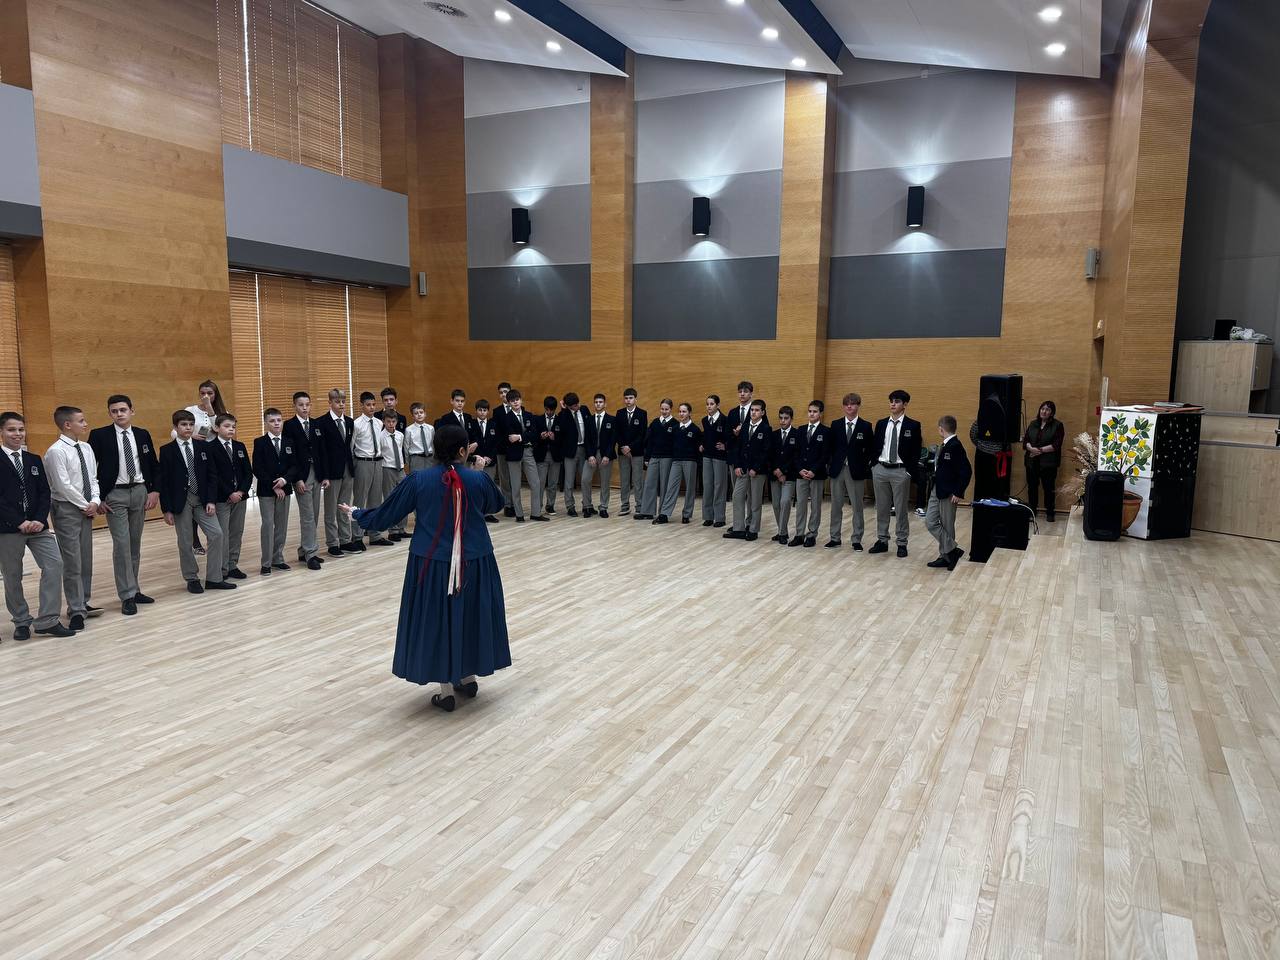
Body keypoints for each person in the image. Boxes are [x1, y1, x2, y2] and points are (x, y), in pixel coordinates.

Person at [341, 423, 510, 712]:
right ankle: (467, 677)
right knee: (470, 614)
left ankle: (446, 690)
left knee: (437, 619)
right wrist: (478, 472)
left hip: (432, 564)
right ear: (463, 450)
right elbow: (496, 504)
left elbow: (386, 515)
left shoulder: (418, 480)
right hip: (475, 561)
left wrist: (358, 514)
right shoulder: (477, 479)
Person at [1, 411, 74, 640]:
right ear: (1, 432)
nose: (17, 434)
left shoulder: (33, 459)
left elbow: (44, 492)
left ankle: (47, 620)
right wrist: (18, 521)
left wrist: (40, 519)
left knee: (54, 564)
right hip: (8, 528)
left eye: (21, 429)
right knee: (12, 576)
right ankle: (21, 621)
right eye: (11, 430)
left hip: (37, 526)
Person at [88, 394, 159, 615]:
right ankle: (127, 595)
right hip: (114, 495)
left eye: (123, 410)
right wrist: (97, 498)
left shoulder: (142, 434)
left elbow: (152, 464)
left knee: (134, 544)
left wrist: (154, 490)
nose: (119, 414)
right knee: (121, 544)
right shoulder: (99, 435)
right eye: (114, 411)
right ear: (110, 413)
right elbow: (89, 469)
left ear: (131, 411)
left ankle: (134, 589)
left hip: (139, 491)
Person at [44, 405, 103, 631]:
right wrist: (85, 504)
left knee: (85, 558)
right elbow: (62, 485)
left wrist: (95, 501)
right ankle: (75, 608)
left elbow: (93, 478)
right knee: (72, 561)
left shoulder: (86, 448)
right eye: (81, 421)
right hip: (67, 508)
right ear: (67, 424)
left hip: (86, 506)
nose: (85, 424)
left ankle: (83, 602)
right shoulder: (56, 451)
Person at [158, 410, 230, 592]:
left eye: (191, 424)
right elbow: (164, 482)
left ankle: (214, 578)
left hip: (202, 498)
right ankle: (191, 578)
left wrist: (211, 500)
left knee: (217, 534)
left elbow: (212, 475)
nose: (188, 428)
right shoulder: (167, 451)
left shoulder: (203, 447)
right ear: (175, 427)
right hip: (181, 501)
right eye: (184, 424)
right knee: (185, 541)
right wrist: (166, 509)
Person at [870, 389, 923, 557]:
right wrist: (874, 465)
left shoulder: (913, 425)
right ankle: (882, 540)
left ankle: (901, 542)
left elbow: (916, 451)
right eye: (891, 401)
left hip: (900, 471)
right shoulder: (881, 423)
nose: (893, 404)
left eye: (897, 401)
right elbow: (875, 445)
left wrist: (909, 472)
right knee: (882, 507)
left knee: (900, 509)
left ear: (905, 404)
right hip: (880, 469)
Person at [181, 380, 227, 555]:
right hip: (195, 455)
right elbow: (174, 431)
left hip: (215, 455)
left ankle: (215, 538)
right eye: (203, 393)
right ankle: (195, 541)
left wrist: (210, 408)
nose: (206, 396)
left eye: (210, 393)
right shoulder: (191, 410)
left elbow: (217, 428)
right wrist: (191, 435)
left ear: (215, 394)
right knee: (196, 498)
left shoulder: (221, 412)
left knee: (211, 496)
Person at [826, 392, 876, 551]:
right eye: (846, 404)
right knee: (836, 506)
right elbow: (830, 447)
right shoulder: (835, 424)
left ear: (858, 406)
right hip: (837, 470)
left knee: (857, 506)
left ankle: (856, 539)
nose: (849, 406)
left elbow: (870, 450)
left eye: (853, 404)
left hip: (856, 471)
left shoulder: (865, 426)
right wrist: (832, 463)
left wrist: (862, 464)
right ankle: (834, 538)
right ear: (843, 406)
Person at [284, 391, 327, 571]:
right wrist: (297, 479)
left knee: (314, 514)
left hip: (316, 473)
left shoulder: (316, 424)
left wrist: (324, 475)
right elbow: (289, 455)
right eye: (301, 405)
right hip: (302, 475)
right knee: (308, 516)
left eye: (307, 404)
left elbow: (322, 451)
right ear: (295, 406)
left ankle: (303, 550)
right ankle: (311, 554)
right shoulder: (289, 425)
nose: (304, 408)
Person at [207, 413, 252, 582]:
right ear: (217, 428)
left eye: (233, 426)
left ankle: (233, 565)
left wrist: (241, 492)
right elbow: (213, 475)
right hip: (222, 498)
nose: (231, 429)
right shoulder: (210, 448)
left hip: (240, 497)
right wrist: (229, 493)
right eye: (227, 426)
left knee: (236, 532)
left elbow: (248, 472)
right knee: (223, 534)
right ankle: (222, 567)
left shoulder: (239, 446)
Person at [252, 407, 298, 576]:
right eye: (272, 421)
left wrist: (284, 481)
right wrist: (275, 485)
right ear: (266, 423)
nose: (276, 423)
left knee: (281, 526)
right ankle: (266, 563)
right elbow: (257, 468)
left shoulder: (289, 442)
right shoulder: (260, 442)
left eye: (279, 420)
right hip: (266, 491)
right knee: (268, 525)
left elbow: (294, 466)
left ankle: (277, 558)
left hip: (285, 489)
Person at [927, 415, 972, 571]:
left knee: (947, 525)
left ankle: (946, 557)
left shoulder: (955, 446)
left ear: (941, 429)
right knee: (930, 521)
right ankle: (953, 551)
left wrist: (958, 492)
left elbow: (966, 471)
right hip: (937, 490)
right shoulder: (946, 445)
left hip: (949, 493)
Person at [316, 388, 356, 556]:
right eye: (337, 401)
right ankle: (333, 543)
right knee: (331, 509)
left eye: (343, 402)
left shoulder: (349, 421)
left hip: (347, 469)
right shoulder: (321, 422)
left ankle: (345, 540)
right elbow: (322, 451)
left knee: (344, 506)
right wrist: (324, 475)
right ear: (330, 403)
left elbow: (349, 446)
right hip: (332, 471)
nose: (341, 404)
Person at [725, 400, 771, 541]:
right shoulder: (744, 427)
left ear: (762, 412)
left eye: (757, 410)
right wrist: (738, 465)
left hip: (758, 471)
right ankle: (738, 528)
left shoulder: (766, 429)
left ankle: (753, 529)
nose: (753, 412)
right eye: (752, 410)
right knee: (737, 496)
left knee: (755, 501)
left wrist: (756, 468)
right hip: (743, 469)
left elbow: (766, 452)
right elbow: (738, 448)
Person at [352, 391, 391, 547]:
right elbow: (351, 446)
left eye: (374, 404)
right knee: (360, 500)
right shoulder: (356, 424)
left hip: (378, 462)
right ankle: (357, 537)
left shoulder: (379, 423)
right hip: (363, 462)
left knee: (376, 500)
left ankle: (374, 535)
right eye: (368, 405)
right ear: (362, 405)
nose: (372, 407)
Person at [501, 390, 546, 522]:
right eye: (512, 401)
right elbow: (509, 438)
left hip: (528, 452)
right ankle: (519, 514)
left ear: (521, 400)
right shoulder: (506, 418)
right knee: (515, 486)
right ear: (509, 403)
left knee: (536, 483)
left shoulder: (528, 415)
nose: (515, 402)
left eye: (517, 399)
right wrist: (525, 436)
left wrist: (520, 437)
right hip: (513, 454)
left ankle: (536, 513)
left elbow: (534, 434)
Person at [792, 401, 830, 548]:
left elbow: (825, 455)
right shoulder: (800, 430)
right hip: (801, 474)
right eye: (810, 411)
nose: (812, 414)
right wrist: (800, 469)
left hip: (817, 474)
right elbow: (795, 453)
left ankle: (812, 534)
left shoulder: (825, 431)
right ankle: (799, 534)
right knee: (801, 505)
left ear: (820, 414)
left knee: (815, 505)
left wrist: (813, 470)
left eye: (815, 411)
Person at [1023, 400, 1065, 521]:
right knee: (1032, 488)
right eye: (1042, 409)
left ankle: (1050, 512)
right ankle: (1032, 510)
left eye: (1047, 409)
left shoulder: (1057, 425)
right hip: (1031, 462)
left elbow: (1056, 445)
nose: (1044, 411)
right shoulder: (1033, 424)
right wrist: (1031, 448)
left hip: (1048, 463)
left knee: (1048, 489)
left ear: (1052, 412)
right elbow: (1026, 441)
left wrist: (1039, 450)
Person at [660, 403, 701, 524]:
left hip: (690, 461)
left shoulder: (695, 429)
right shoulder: (674, 429)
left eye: (684, 412)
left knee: (690, 489)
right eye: (680, 412)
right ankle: (664, 514)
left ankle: (686, 514)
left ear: (689, 413)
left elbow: (699, 448)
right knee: (671, 487)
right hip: (676, 461)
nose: (681, 414)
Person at [637, 399, 675, 521]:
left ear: (671, 409)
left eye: (666, 409)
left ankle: (663, 513)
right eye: (662, 409)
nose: (664, 411)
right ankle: (647, 511)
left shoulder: (675, 424)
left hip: (668, 458)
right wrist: (647, 457)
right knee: (649, 483)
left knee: (664, 485)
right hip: (654, 456)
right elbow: (649, 442)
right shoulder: (654, 423)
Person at [581, 393, 616, 518]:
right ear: (594, 404)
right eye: (596, 402)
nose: (598, 404)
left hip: (605, 455)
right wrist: (590, 455)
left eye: (600, 402)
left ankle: (603, 507)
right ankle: (587, 506)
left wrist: (607, 455)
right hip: (592, 454)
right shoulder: (589, 420)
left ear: (605, 404)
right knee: (585, 479)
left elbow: (613, 440)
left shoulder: (612, 420)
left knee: (605, 482)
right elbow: (586, 440)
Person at [770, 406, 799, 544]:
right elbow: (769, 455)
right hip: (774, 474)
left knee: (785, 502)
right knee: (776, 504)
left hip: (789, 475)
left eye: (786, 418)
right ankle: (782, 530)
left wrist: (783, 471)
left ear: (791, 419)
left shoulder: (797, 434)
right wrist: (776, 471)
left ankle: (782, 533)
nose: (783, 421)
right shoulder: (773, 435)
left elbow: (796, 457)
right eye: (781, 418)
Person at [615, 388, 647, 516]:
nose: (628, 400)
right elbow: (617, 433)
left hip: (637, 452)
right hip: (623, 452)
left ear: (635, 399)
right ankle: (625, 506)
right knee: (624, 481)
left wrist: (630, 447)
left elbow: (642, 434)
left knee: (638, 480)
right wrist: (623, 447)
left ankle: (639, 506)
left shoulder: (642, 413)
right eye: (626, 398)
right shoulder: (620, 413)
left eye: (631, 398)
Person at [700, 395, 729, 528]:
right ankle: (708, 516)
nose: (709, 406)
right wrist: (702, 444)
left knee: (719, 486)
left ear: (718, 405)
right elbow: (705, 436)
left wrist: (725, 446)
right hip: (707, 456)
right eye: (707, 404)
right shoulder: (704, 420)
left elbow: (730, 437)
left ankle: (720, 517)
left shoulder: (725, 420)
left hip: (719, 457)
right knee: (707, 485)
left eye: (712, 404)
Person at [555, 393, 586, 517]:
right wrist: (563, 409)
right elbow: (562, 429)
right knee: (569, 481)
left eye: (577, 404)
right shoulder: (563, 415)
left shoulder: (584, 410)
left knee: (585, 480)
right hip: (570, 452)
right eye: (573, 406)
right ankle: (570, 506)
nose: (577, 406)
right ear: (568, 406)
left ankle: (587, 505)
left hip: (584, 449)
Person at [470, 400, 501, 523]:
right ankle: (476, 512)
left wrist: (490, 457)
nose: (482, 412)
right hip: (476, 461)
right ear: (476, 411)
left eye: (484, 410)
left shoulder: (493, 424)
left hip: (489, 461)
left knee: (489, 487)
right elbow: (472, 442)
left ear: (488, 411)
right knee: (476, 487)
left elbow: (496, 444)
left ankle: (488, 513)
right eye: (480, 410)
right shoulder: (471, 424)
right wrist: (479, 457)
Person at [380, 409, 408, 541]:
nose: (391, 424)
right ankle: (393, 530)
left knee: (404, 497)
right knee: (391, 499)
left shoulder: (400, 435)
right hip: (388, 469)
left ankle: (402, 528)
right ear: (383, 422)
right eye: (388, 421)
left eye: (393, 421)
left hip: (400, 469)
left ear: (396, 421)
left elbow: (401, 451)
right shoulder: (381, 436)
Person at [537, 396, 562, 514]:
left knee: (553, 483)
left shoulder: (560, 420)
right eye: (547, 410)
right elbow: (534, 437)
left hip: (555, 455)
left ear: (555, 409)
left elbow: (564, 439)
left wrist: (555, 438)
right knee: (540, 483)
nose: (549, 412)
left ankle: (550, 505)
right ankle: (538, 506)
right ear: (544, 408)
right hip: (542, 455)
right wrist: (541, 437)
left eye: (551, 410)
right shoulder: (538, 419)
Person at [405, 403, 435, 476]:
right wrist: (408, 462)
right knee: (417, 479)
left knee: (429, 478)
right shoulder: (409, 430)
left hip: (430, 458)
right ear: (412, 416)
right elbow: (406, 447)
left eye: (421, 412)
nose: (419, 415)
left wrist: (434, 458)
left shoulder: (431, 428)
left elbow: (433, 444)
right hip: (416, 458)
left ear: (425, 414)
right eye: (416, 413)